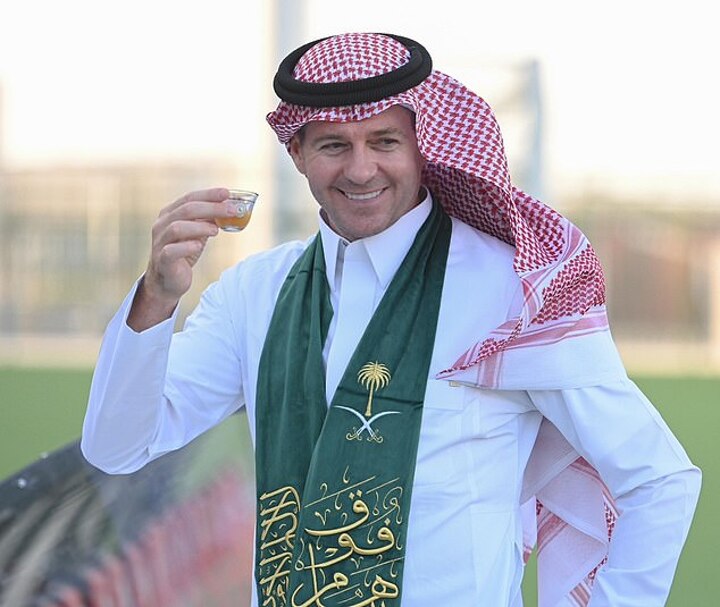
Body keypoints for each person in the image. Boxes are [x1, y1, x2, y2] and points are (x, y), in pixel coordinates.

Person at [81, 33, 701, 607]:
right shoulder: (254, 293)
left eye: (384, 142)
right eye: (334, 145)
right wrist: (156, 299)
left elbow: (658, 480)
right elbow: (118, 446)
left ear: (422, 144)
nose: (360, 169)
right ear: (297, 152)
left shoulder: (511, 287)